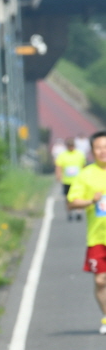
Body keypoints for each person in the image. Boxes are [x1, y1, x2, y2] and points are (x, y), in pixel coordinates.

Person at [66, 130, 106, 333]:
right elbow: (71, 202)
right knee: (100, 280)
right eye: (98, 148)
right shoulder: (86, 174)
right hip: (97, 237)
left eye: (105, 147)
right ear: (92, 151)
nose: (103, 151)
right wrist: (91, 200)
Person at [57, 137, 87, 223]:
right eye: (69, 146)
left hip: (78, 181)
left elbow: (83, 165)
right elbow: (59, 166)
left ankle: (79, 213)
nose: (71, 147)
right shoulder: (62, 155)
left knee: (79, 197)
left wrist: (85, 176)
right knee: (68, 198)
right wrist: (58, 175)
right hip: (67, 181)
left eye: (72, 145)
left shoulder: (80, 154)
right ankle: (69, 213)